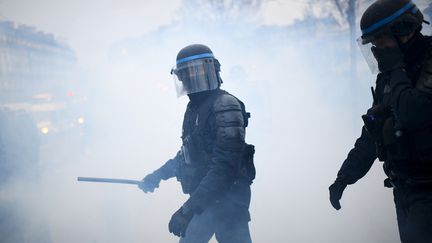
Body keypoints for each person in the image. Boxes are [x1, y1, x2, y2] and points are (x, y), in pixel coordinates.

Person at [329, 0, 432, 242]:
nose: (376, 51)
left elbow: (412, 113)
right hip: (405, 190)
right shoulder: (390, 75)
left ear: (402, 31)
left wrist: (396, 69)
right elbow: (374, 129)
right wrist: (345, 176)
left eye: (380, 42)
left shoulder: (421, 62)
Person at [138, 44, 255, 243]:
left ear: (212, 70)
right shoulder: (196, 108)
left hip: (228, 201)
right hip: (206, 200)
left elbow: (225, 166)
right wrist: (158, 175)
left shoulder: (225, 104)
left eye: (198, 71)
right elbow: (190, 154)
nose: (193, 78)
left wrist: (188, 209)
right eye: (187, 74)